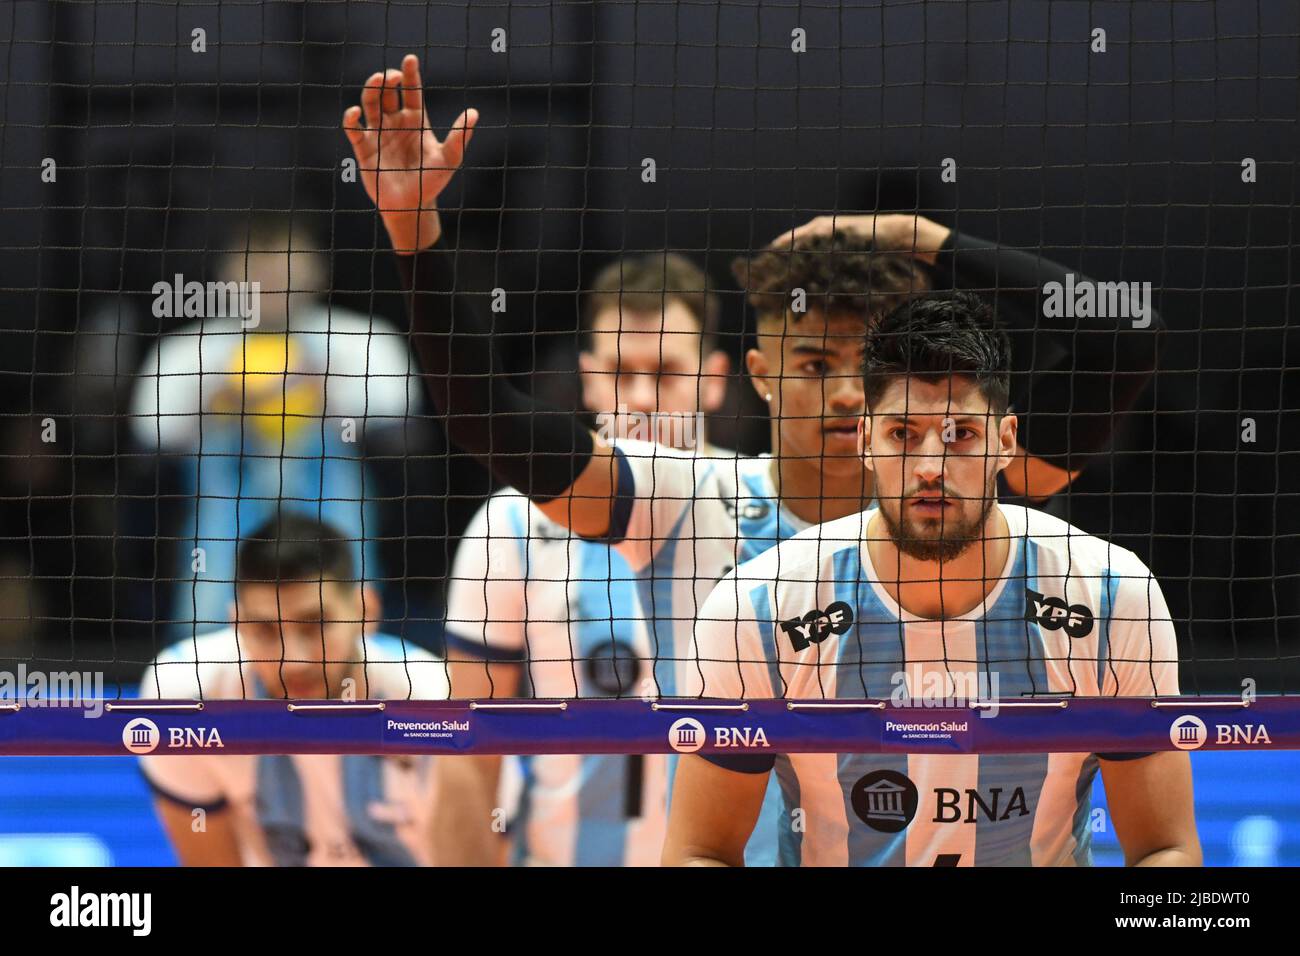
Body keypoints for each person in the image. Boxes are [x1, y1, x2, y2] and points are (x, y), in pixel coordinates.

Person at [342, 53, 1163, 862]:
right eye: (813, 365)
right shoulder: (681, 497)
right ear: (762, 375)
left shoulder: (964, 489)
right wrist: (416, 232)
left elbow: (1126, 341)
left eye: (865, 362)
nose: (845, 393)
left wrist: (928, 242)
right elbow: (483, 416)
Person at [664, 293, 1200, 867]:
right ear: (867, 438)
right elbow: (702, 851)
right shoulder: (759, 606)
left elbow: (1164, 848)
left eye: (960, 433)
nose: (930, 466)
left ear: (1005, 440)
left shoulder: (1113, 595)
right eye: (902, 432)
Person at [439, 253, 729, 866]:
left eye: (668, 372)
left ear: (715, 377)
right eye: (623, 372)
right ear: (590, 377)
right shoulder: (512, 522)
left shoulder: (761, 509)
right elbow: (468, 746)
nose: (644, 398)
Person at [130, 214, 420, 638]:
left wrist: (326, 398)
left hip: (328, 495)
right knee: (210, 611)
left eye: (284, 263)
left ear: (319, 269)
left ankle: (353, 660)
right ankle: (205, 654)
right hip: (227, 500)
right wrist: (217, 407)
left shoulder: (364, 339)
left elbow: (401, 430)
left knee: (340, 599)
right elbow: (150, 439)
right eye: (254, 265)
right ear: (226, 274)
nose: (268, 279)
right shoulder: (186, 351)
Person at [137, 512, 448, 867]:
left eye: (315, 624)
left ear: (366, 611)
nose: (294, 662)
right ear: (237, 623)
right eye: (265, 630)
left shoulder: (436, 704)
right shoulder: (186, 699)